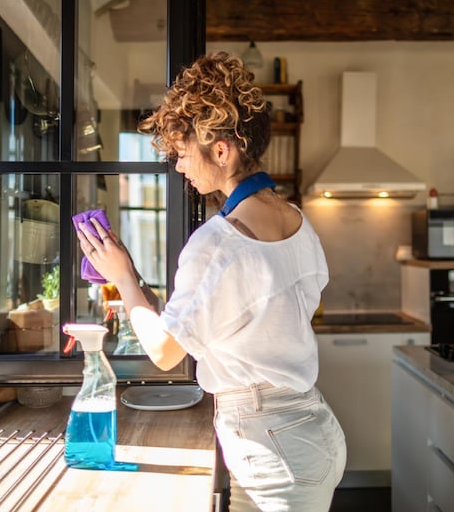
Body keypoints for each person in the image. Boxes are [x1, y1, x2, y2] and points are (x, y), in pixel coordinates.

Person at [76, 52, 345, 511]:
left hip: (269, 447)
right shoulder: (297, 221)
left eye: (182, 154)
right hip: (310, 428)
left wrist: (122, 276)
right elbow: (250, 314)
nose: (178, 166)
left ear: (221, 150)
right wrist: (143, 287)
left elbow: (163, 353)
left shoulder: (219, 242)